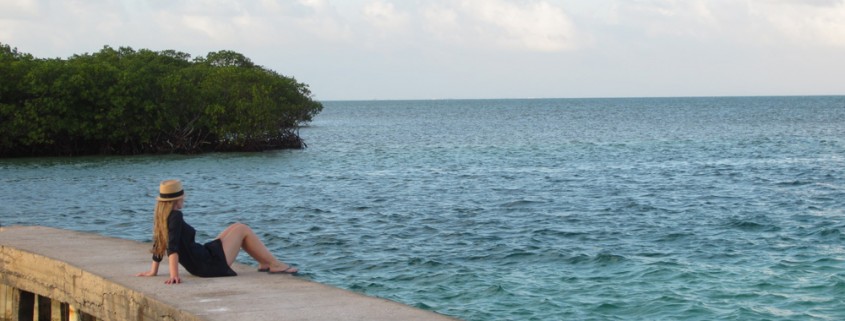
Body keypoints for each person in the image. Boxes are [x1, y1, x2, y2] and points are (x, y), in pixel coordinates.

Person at [137, 179, 298, 284]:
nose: (184, 199)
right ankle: (274, 264)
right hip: (208, 265)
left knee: (237, 226)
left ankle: (264, 262)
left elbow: (159, 244)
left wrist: (153, 271)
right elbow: (172, 248)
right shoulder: (176, 216)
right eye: (182, 197)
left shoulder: (163, 217)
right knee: (243, 229)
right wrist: (174, 275)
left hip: (201, 259)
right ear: (177, 199)